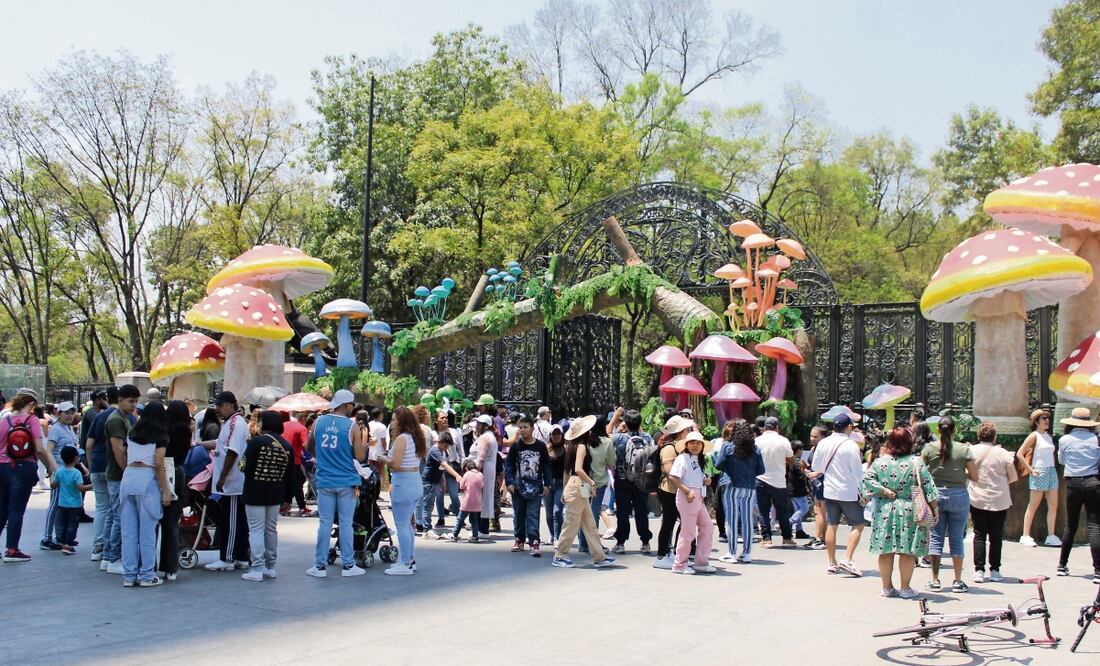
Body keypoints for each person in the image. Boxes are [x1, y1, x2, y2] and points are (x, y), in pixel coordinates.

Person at [861, 427, 939, 599]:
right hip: (909, 510)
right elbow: (928, 487)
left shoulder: (880, 462)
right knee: (906, 551)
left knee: (885, 550)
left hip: (884, 511)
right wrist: (934, 508)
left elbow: (866, 480)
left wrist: (883, 491)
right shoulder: (916, 462)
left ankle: (887, 588)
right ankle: (905, 588)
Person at [306, 390, 367, 579]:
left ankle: (320, 565)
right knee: (346, 523)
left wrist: (323, 458)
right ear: (347, 405)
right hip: (347, 481)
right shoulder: (352, 427)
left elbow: (309, 447)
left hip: (324, 480)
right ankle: (348, 565)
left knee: (324, 522)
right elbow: (359, 456)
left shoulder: (319, 422)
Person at [921, 415, 977, 593]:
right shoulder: (964, 449)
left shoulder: (929, 448)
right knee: (956, 539)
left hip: (935, 496)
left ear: (938, 430)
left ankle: (935, 580)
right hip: (959, 495)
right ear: (954, 430)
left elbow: (920, 472)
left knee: (936, 538)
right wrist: (960, 473)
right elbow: (975, 476)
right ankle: (958, 580)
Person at [119, 401, 172, 587]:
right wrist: (166, 491)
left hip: (129, 478)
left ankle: (129, 575)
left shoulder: (132, 432)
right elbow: (158, 463)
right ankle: (147, 575)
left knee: (129, 532)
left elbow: (124, 453)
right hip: (148, 479)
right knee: (147, 533)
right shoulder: (161, 435)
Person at [551, 416, 615, 569]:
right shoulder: (581, 446)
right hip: (579, 485)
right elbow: (579, 469)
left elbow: (568, 470)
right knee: (572, 523)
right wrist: (591, 482)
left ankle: (599, 557)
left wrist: (566, 489)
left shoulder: (573, 446)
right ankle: (560, 556)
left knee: (589, 524)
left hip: (576, 486)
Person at [1, 392, 56, 563]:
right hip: (23, 467)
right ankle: (12, 550)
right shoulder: (31, 420)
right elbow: (39, 448)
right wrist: (50, 465)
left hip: (2, 466)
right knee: (16, 510)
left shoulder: (4, 420)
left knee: (2, 509)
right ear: (31, 404)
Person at [241, 411, 294, 582]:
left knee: (256, 529)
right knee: (271, 529)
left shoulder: (257, 442)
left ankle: (256, 567)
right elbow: (290, 476)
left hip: (255, 489)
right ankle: (270, 566)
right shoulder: (287, 446)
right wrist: (288, 498)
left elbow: (243, 466)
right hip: (276, 491)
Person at [811, 413, 866, 577]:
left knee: (832, 524)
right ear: (848, 427)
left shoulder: (824, 443)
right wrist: (862, 491)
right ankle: (847, 558)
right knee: (858, 524)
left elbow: (816, 466)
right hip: (848, 491)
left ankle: (831, 562)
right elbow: (857, 472)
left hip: (830, 490)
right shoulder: (851, 445)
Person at [203, 391, 252, 571]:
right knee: (238, 520)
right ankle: (241, 555)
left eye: (220, 405)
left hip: (232, 482)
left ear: (230, 405)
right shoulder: (230, 423)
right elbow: (221, 445)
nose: (217, 409)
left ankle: (228, 557)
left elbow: (232, 451)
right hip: (232, 481)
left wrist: (222, 477)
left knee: (231, 521)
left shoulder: (235, 424)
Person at [967, 421, 1018, 584]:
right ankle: (995, 570)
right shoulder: (1003, 453)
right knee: (996, 536)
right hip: (999, 498)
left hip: (977, 497)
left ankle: (979, 570)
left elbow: (966, 471)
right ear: (994, 436)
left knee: (979, 534)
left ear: (978, 435)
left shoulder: (972, 451)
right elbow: (1014, 477)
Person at [1055, 407, 1100, 581]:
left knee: (1070, 525)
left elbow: (1061, 460)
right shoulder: (1096, 439)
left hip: (1072, 483)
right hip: (1093, 482)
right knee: (1095, 526)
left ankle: (1062, 564)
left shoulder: (1065, 439)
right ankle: (1098, 570)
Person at [381, 405, 426, 576]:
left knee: (401, 525)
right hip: (414, 482)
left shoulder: (402, 439)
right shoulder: (415, 437)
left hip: (403, 483)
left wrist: (383, 458)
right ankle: (409, 560)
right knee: (407, 525)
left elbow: (396, 464)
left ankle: (405, 562)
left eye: (393, 420)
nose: (392, 424)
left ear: (402, 421)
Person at [102, 384, 141, 574]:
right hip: (118, 475)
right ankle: (113, 557)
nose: (134, 405)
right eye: (130, 401)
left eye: (136, 401)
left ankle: (108, 556)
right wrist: (127, 472)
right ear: (120, 400)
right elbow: (118, 450)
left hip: (117, 474)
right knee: (119, 517)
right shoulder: (116, 420)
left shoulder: (124, 418)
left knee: (113, 515)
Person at [715, 419, 764, 563]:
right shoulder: (755, 449)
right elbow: (761, 470)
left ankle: (732, 552)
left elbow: (718, 465)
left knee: (731, 519)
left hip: (731, 485)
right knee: (747, 519)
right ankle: (746, 553)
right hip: (749, 487)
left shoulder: (728, 446)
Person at [504, 415, 552, 555]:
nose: (522, 430)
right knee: (518, 514)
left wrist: (547, 484)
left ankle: (534, 542)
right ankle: (519, 539)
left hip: (535, 486)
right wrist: (509, 482)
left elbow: (546, 466)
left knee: (532, 514)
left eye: (525, 427)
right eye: (520, 427)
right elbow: (509, 465)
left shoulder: (540, 446)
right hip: (518, 487)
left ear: (532, 429)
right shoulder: (516, 446)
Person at [668, 431, 715, 574]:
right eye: (692, 443)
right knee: (688, 532)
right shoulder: (683, 458)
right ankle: (679, 564)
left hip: (697, 496)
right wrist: (687, 491)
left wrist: (707, 480)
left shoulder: (697, 460)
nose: (695, 445)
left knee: (707, 527)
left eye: (698, 443)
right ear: (686, 445)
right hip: (688, 496)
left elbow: (700, 478)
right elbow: (673, 477)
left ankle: (701, 562)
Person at [609, 408, 653, 554]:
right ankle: (645, 541)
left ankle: (621, 542)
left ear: (625, 423)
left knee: (622, 511)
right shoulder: (646, 437)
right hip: (641, 480)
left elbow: (606, 434)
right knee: (641, 510)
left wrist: (615, 417)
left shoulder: (619, 438)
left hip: (623, 478)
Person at [653, 415, 695, 570]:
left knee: (683, 522)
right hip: (669, 490)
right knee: (669, 522)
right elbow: (670, 472)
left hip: (677, 490)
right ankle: (662, 555)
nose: (689, 430)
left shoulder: (680, 446)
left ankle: (675, 553)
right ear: (680, 431)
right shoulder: (670, 448)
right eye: (687, 429)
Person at [159, 400, 192, 582]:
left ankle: (151, 564)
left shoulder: (162, 431)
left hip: (162, 470)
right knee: (172, 523)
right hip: (178, 472)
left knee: (154, 521)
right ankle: (170, 567)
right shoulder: (186, 432)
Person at [1016, 409, 1061, 547]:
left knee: (1053, 504)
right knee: (1033, 504)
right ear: (1036, 421)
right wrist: (1031, 470)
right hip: (1039, 470)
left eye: (1047, 418)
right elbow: (1020, 453)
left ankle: (1051, 534)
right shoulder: (1034, 436)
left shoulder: (1048, 436)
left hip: (1051, 470)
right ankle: (1025, 535)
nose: (1046, 420)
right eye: (1043, 418)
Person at [85, 386, 119, 562]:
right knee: (116, 510)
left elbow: (88, 445)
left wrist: (91, 466)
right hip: (114, 467)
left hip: (97, 464)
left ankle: (97, 546)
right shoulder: (123, 417)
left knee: (101, 507)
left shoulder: (98, 417)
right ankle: (110, 547)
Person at [41, 401, 80, 551]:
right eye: (66, 412)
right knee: (54, 505)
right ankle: (46, 538)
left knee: (62, 506)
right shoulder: (56, 429)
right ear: (59, 413)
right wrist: (53, 470)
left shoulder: (69, 428)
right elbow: (48, 451)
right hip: (59, 470)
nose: (70, 415)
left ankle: (60, 537)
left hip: (69, 471)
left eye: (71, 412)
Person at [755, 416, 795, 547]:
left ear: (765, 427)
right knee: (782, 510)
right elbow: (791, 460)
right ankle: (787, 538)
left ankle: (767, 539)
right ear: (777, 427)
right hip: (779, 481)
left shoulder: (757, 441)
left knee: (763, 511)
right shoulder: (784, 441)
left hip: (760, 479)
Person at [579, 414, 616, 554]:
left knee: (583, 512)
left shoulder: (583, 441)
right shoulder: (607, 442)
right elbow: (612, 462)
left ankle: (583, 543)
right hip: (598, 481)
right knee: (593, 514)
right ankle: (592, 544)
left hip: (583, 480)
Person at [51, 447, 91, 555]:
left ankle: (62, 540)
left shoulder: (59, 471)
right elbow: (80, 488)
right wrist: (92, 486)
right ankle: (68, 545)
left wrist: (55, 479)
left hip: (62, 503)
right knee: (72, 525)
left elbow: (53, 485)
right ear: (75, 458)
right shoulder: (76, 473)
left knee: (62, 523)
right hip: (75, 504)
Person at [417, 431, 455, 534]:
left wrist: (442, 481)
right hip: (428, 481)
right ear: (440, 441)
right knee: (427, 505)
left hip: (435, 480)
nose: (446, 448)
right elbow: (445, 465)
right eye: (446, 445)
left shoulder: (441, 451)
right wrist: (457, 476)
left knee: (430, 504)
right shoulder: (435, 451)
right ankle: (426, 528)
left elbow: (441, 468)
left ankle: (426, 525)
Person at [471, 414, 499, 539]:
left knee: (479, 499)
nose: (476, 426)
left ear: (485, 426)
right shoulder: (490, 436)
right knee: (485, 498)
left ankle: (480, 529)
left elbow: (480, 459)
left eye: (479, 424)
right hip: (489, 469)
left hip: (482, 470)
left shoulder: (484, 438)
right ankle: (483, 528)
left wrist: (473, 472)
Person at [281, 411, 313, 517]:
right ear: (303, 419)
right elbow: (305, 445)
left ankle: (284, 504)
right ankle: (302, 507)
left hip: (281, 459)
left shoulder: (284, 425)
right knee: (297, 484)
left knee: (285, 483)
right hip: (295, 460)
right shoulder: (301, 428)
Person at [444, 459, 484, 542]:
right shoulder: (480, 474)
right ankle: (475, 537)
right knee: (474, 520)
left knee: (460, 519)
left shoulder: (467, 474)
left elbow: (461, 486)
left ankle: (454, 534)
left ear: (466, 467)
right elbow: (482, 486)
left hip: (467, 501)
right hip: (477, 502)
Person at [803, 425, 829, 550]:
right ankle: (821, 537)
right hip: (815, 480)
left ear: (823, 437)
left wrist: (817, 472)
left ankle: (819, 538)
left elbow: (825, 467)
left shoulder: (825, 449)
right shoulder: (814, 448)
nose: (812, 438)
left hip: (822, 481)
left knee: (819, 510)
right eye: (811, 435)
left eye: (815, 436)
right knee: (818, 509)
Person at [543, 423, 567, 545]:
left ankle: (558, 537)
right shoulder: (545, 449)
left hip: (561, 484)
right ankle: (552, 534)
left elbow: (569, 469)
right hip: (548, 484)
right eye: (554, 433)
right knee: (548, 514)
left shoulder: (566, 449)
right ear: (550, 435)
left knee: (557, 511)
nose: (556, 436)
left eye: (558, 433)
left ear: (562, 435)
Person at [788, 442, 812, 539]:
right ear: (798, 450)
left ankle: (799, 530)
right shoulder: (797, 462)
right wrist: (806, 473)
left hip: (791, 489)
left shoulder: (788, 461)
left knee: (797, 509)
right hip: (799, 489)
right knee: (804, 508)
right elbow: (800, 475)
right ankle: (790, 521)